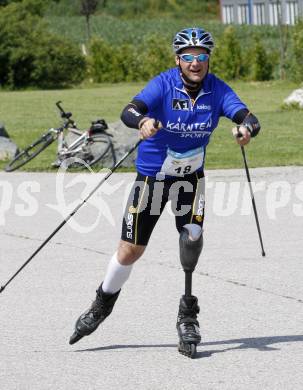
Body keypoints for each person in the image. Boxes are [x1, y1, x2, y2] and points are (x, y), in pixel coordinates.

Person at [69, 27, 261, 358]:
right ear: (178, 60)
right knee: (130, 251)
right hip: (153, 179)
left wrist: (245, 129)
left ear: (208, 60)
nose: (196, 62)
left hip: (190, 180)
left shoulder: (217, 90)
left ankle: (187, 315)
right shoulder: (163, 84)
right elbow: (129, 110)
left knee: (192, 237)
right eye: (189, 57)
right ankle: (103, 301)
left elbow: (249, 117)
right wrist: (142, 122)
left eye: (202, 56)